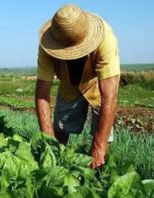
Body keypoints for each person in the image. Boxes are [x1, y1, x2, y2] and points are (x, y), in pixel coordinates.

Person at [35, 4, 120, 169]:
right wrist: (49, 144)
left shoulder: (105, 38)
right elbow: (42, 93)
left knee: (101, 142)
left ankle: (96, 173)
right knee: (60, 128)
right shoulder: (48, 44)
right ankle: (58, 167)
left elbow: (110, 96)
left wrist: (99, 146)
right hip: (68, 81)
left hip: (97, 81)